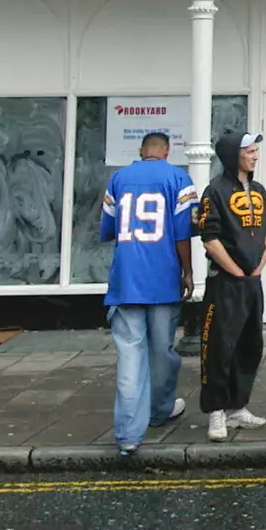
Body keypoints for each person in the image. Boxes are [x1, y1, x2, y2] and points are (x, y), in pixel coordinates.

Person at [100, 132, 197, 456]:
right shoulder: (178, 179)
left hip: (126, 281)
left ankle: (128, 434)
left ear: (141, 152)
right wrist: (187, 272)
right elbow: (183, 234)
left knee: (130, 356)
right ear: (167, 152)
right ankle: (160, 409)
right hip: (162, 279)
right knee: (162, 352)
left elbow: (110, 229)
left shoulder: (119, 178)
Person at [197, 130, 266, 441]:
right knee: (219, 347)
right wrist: (236, 271)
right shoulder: (214, 191)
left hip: (251, 282)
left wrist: (257, 268)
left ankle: (238, 406)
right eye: (249, 151)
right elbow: (210, 238)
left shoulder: (259, 189)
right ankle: (216, 412)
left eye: (256, 150)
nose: (255, 156)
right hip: (225, 284)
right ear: (233, 156)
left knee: (250, 345)